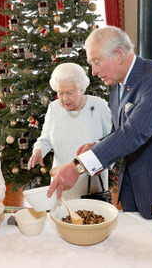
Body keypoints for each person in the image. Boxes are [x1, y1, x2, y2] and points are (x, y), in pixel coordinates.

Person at [47, 26, 152, 219]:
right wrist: (98, 145)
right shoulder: (117, 85)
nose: (93, 72)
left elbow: (133, 133)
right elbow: (120, 131)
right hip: (134, 187)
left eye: (96, 62)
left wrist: (78, 166)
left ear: (118, 55)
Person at [27, 63, 111, 200]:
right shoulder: (54, 108)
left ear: (82, 89)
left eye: (69, 93)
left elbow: (112, 142)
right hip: (61, 182)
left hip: (91, 185)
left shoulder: (99, 105)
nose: (64, 98)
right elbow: (45, 139)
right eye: (60, 93)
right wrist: (38, 151)